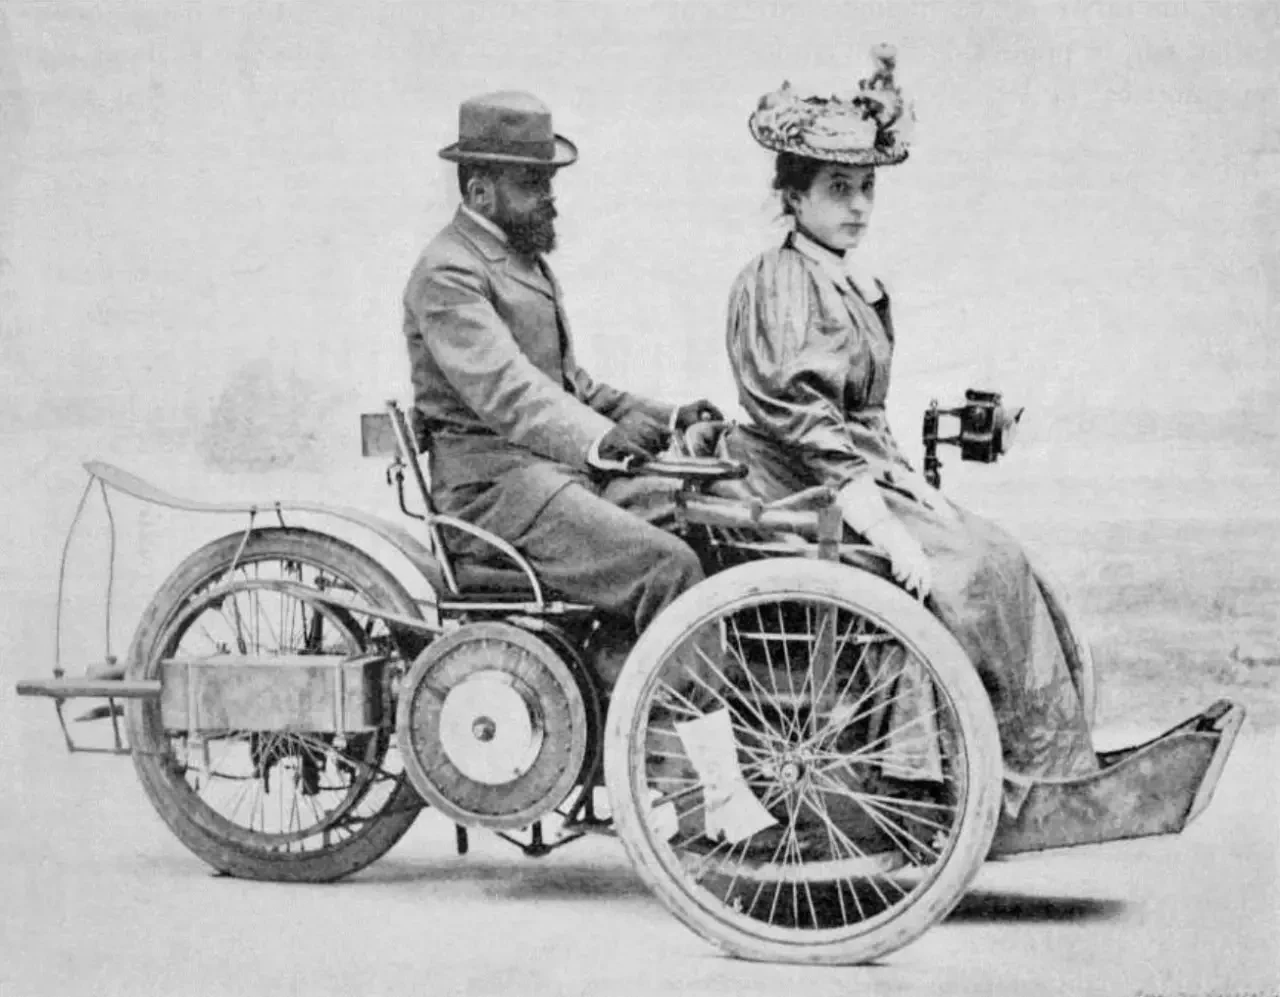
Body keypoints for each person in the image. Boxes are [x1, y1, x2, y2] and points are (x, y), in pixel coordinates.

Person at [721, 48, 1098, 805]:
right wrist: (888, 528)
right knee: (964, 574)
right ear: (793, 196)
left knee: (997, 554)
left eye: (866, 188)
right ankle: (942, 780)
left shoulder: (848, 280)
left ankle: (1037, 769)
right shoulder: (779, 281)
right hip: (796, 487)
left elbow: (862, 418)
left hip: (847, 474)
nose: (859, 206)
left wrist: (907, 486)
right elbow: (807, 421)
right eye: (838, 188)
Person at [402, 91, 722, 651]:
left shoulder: (522, 262)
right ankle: (688, 711)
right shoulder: (448, 273)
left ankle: (630, 680)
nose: (549, 199)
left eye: (549, 182)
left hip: (551, 476)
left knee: (708, 518)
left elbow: (575, 388)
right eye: (532, 184)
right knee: (667, 567)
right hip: (495, 494)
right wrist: (601, 441)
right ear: (479, 192)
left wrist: (670, 416)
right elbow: (509, 390)